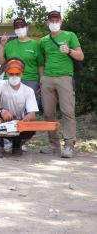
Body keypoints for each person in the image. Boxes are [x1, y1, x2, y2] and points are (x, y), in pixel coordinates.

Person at [39, 10, 84, 158]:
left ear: (61, 21)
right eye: (51, 20)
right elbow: (42, 60)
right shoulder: (44, 40)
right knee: (48, 113)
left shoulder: (70, 35)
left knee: (67, 112)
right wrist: (42, 78)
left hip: (65, 78)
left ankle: (69, 145)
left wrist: (69, 50)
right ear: (47, 23)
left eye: (56, 20)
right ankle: (53, 145)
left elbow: (81, 56)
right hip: (48, 79)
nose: (54, 23)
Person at [0, 58, 39, 158]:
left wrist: (26, 119)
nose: (14, 76)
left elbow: (32, 113)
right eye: (11, 74)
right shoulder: (1, 84)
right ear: (7, 73)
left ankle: (16, 145)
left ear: (22, 73)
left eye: (17, 74)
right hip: (2, 119)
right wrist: (1, 111)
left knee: (30, 129)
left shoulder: (28, 90)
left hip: (18, 121)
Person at [0, 17, 44, 96]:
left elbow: (40, 65)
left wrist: (42, 83)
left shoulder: (36, 45)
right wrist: (2, 45)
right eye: (17, 27)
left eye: (22, 26)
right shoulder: (9, 45)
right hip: (10, 79)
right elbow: (0, 61)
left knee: (29, 106)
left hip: (30, 80)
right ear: (14, 30)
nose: (20, 29)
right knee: (8, 107)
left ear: (27, 28)